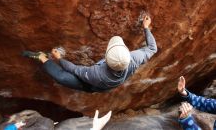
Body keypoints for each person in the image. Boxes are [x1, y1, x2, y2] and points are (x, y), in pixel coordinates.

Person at [23, 15, 157, 92]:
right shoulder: (135, 59)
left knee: (62, 77)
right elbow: (152, 48)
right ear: (128, 53)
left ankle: (42, 57)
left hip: (92, 84)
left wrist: (59, 59)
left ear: (106, 55)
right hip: (111, 84)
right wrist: (145, 27)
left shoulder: (96, 73)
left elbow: (75, 69)